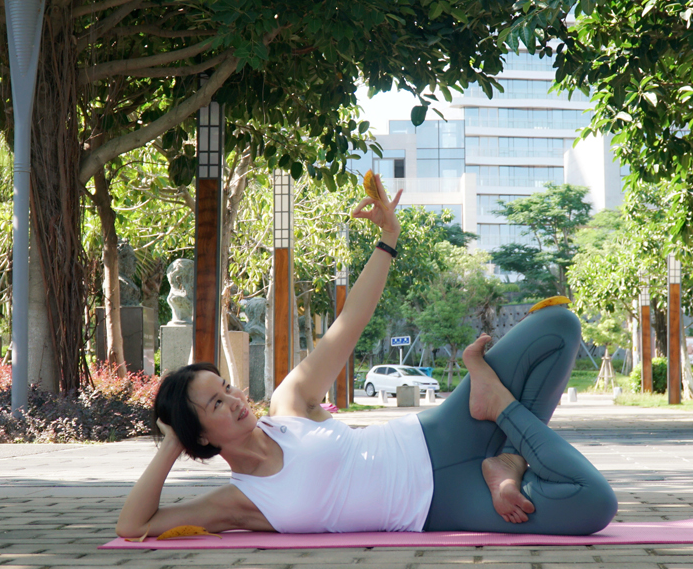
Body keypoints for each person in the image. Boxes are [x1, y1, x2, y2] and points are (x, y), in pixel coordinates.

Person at [115, 179, 617, 539]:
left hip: (439, 434)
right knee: (595, 504)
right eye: (216, 404)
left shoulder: (289, 405)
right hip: (442, 505)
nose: (235, 400)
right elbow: (134, 525)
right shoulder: (238, 502)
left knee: (558, 327)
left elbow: (349, 322)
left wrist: (387, 239)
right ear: (200, 436)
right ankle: (504, 428)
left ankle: (506, 457)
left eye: (226, 388)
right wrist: (172, 442)